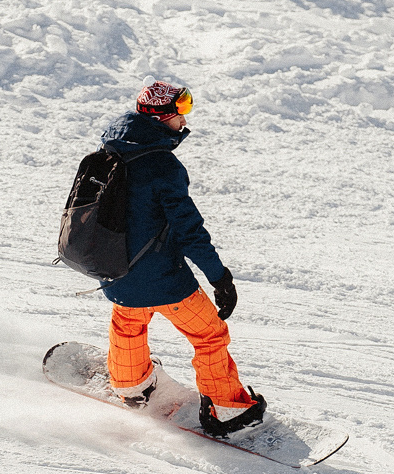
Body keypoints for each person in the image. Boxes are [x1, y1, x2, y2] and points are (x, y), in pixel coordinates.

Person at [96, 80, 266, 436]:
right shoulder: (163, 167)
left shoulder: (111, 150)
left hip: (115, 271)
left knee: (129, 323)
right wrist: (219, 277)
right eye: (183, 108)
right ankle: (227, 410)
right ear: (163, 116)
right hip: (164, 279)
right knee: (209, 335)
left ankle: (131, 386)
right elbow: (189, 231)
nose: (185, 118)